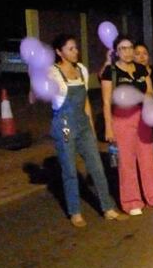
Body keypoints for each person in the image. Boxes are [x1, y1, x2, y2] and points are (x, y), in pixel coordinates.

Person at [48, 34, 128, 227]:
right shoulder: (52, 72)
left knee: (97, 167)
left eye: (75, 48)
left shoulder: (82, 70)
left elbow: (85, 101)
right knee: (69, 169)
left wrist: (91, 127)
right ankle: (74, 212)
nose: (75, 52)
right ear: (59, 52)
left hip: (83, 124)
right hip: (65, 125)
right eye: (70, 49)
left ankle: (108, 208)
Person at [101, 35, 153, 215]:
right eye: (122, 48)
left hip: (142, 117)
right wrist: (108, 127)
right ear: (116, 52)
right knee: (127, 161)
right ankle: (132, 201)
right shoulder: (111, 71)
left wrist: (144, 97)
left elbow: (150, 90)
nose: (127, 52)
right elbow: (106, 102)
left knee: (148, 158)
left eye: (129, 48)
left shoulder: (141, 69)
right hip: (121, 119)